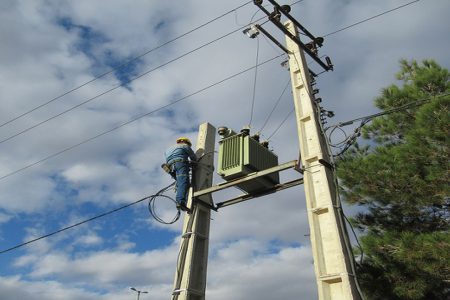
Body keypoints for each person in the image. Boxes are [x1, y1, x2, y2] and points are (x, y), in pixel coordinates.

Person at [164, 137, 197, 211]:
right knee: (183, 182)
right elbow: (193, 157)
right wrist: (195, 163)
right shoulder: (185, 146)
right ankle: (180, 202)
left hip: (171, 165)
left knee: (181, 182)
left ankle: (170, 172)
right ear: (186, 142)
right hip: (180, 163)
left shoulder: (168, 149)